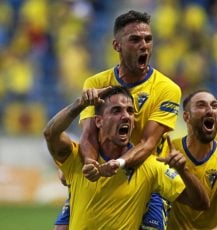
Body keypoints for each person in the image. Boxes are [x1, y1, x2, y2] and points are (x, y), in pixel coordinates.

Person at [55, 10, 181, 229]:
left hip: (144, 178)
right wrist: (90, 167)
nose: (144, 45)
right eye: (135, 39)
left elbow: (148, 143)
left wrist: (118, 164)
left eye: (148, 39)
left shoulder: (167, 89)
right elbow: (89, 134)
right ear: (117, 46)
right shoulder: (96, 82)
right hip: (104, 171)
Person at [43, 86, 209, 229]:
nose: (126, 116)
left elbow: (201, 203)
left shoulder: (149, 166)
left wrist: (183, 170)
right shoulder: (77, 158)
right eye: (116, 110)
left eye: (130, 111)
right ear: (99, 121)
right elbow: (51, 133)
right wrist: (79, 104)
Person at [167, 89, 217, 229]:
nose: (210, 110)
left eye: (214, 106)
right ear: (186, 117)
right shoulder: (170, 151)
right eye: (201, 105)